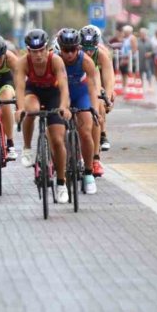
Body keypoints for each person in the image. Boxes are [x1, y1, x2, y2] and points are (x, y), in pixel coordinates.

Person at [14, 28, 71, 203]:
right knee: (30, 109)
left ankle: (61, 183)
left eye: (41, 50)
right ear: (28, 50)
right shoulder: (23, 63)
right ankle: (27, 148)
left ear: (47, 49)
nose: (38, 55)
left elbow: (63, 87)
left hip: (53, 94)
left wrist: (63, 107)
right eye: (34, 51)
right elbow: (20, 89)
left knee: (57, 140)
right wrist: (19, 108)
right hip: (34, 92)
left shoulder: (56, 61)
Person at [57, 29, 99, 194]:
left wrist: (94, 107)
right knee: (56, 132)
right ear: (60, 48)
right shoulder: (55, 59)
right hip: (62, 94)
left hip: (81, 94)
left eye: (73, 50)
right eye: (65, 50)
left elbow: (93, 86)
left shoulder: (85, 61)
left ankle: (88, 173)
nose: (69, 54)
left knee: (86, 132)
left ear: (78, 48)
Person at [81, 25, 115, 170]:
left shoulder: (102, 54)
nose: (88, 52)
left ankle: (101, 135)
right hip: (80, 80)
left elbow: (109, 78)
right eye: (85, 48)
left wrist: (107, 96)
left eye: (91, 48)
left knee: (100, 103)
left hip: (96, 79)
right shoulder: (75, 54)